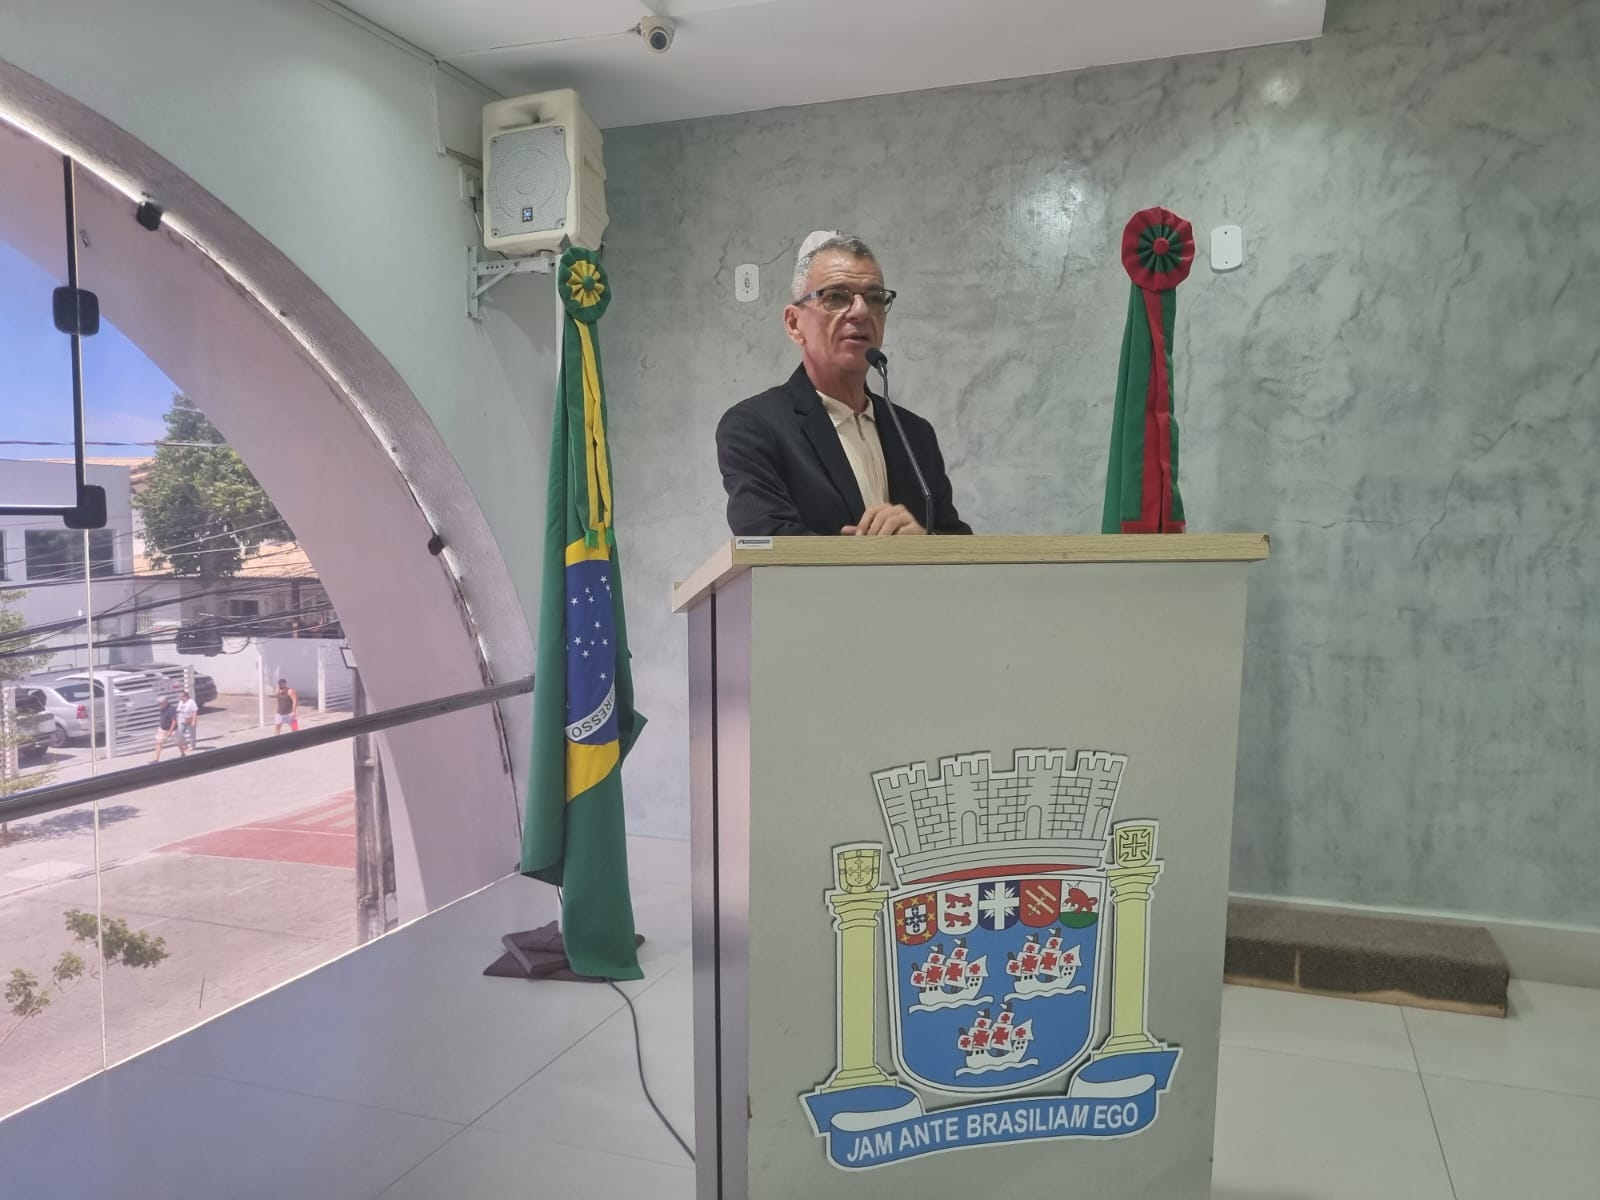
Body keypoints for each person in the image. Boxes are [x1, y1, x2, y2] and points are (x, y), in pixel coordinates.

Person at [716, 231, 971, 536]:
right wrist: (863, 553)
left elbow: (958, 542)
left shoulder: (915, 434)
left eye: (875, 298)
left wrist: (922, 542)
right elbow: (766, 539)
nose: (861, 311)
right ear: (794, 324)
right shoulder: (754, 426)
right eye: (836, 297)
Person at [152, 695, 185, 761]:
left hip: (173, 729)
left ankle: (183, 753)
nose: (160, 705)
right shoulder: (162, 708)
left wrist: (170, 731)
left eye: (161, 703)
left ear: (166, 702)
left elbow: (174, 721)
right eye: (159, 703)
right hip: (163, 729)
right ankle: (156, 759)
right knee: (159, 743)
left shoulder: (171, 709)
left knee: (178, 742)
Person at [177, 688, 199, 754]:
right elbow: (178, 709)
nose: (180, 698)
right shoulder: (181, 702)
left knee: (192, 734)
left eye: (181, 696)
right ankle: (185, 745)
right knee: (180, 733)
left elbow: (194, 711)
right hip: (182, 720)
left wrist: (193, 721)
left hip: (190, 719)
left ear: (185, 696)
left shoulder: (191, 702)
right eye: (179, 696)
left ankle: (192, 747)